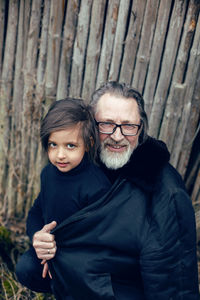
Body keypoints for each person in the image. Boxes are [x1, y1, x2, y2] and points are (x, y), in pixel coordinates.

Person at [17, 82, 199, 300]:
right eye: (107, 124)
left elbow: (172, 278)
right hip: (84, 273)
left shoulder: (166, 191)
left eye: (128, 126)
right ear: (90, 128)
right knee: (29, 266)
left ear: (141, 129)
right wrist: (39, 236)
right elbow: (40, 209)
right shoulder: (83, 164)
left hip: (125, 287)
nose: (117, 135)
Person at [16, 98, 111, 296]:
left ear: (88, 143)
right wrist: (39, 240)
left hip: (81, 261)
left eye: (70, 146)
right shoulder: (48, 174)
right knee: (24, 267)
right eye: (53, 144)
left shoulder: (96, 186)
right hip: (50, 253)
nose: (60, 155)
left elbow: (98, 239)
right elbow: (37, 211)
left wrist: (59, 260)